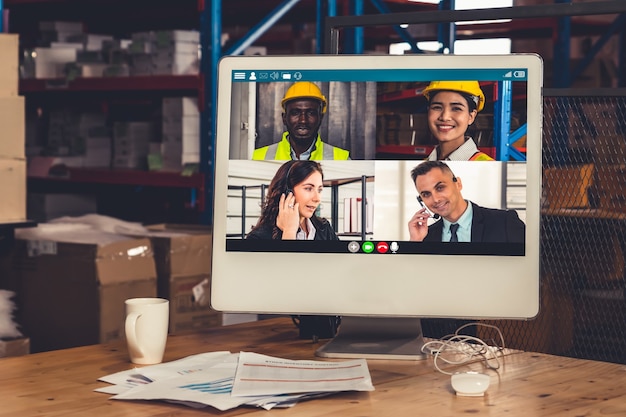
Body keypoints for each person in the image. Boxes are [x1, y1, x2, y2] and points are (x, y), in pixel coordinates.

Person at [407, 161, 525, 243]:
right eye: (426, 194)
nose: (436, 199)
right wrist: (415, 242)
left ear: (458, 184)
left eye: (440, 188)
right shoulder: (426, 236)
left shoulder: (504, 222)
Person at [252, 81, 351, 161]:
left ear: (320, 118)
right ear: (284, 118)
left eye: (311, 113)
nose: (303, 120)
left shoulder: (341, 159)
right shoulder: (258, 157)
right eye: (295, 112)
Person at [246, 160, 340, 240]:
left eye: (319, 190)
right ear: (287, 191)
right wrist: (289, 232)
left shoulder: (324, 228)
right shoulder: (258, 238)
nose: (317, 199)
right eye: (308, 188)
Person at [422, 80, 494, 161]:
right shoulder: (423, 164)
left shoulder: (489, 168)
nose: (445, 117)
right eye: (437, 107)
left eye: (456, 109)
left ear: (471, 116)